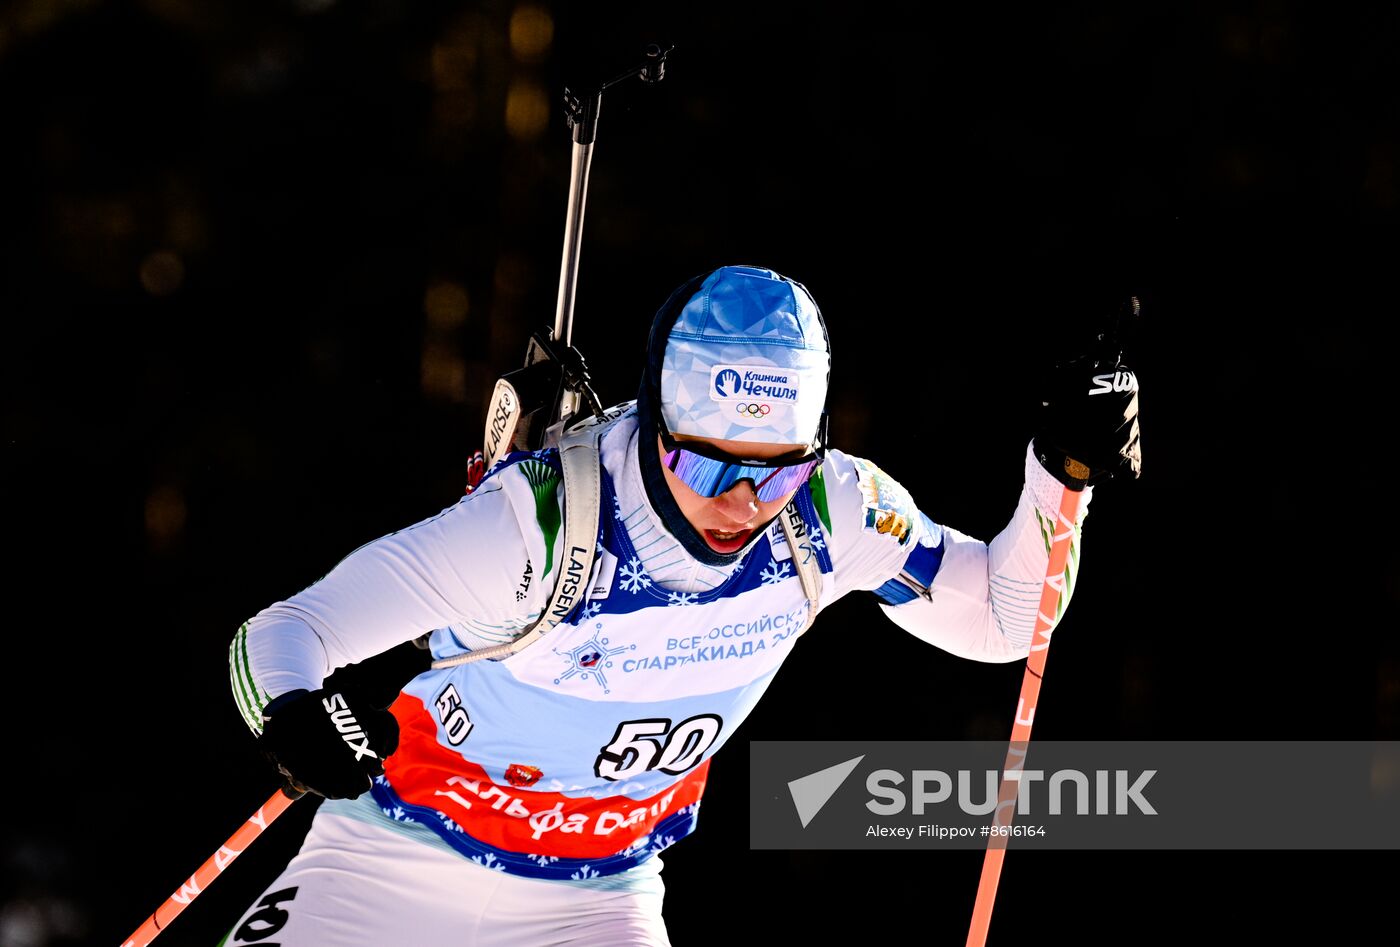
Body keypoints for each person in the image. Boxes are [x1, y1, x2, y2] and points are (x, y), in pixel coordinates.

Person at [224, 264, 1141, 945]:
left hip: (593, 904)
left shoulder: (831, 512)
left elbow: (1004, 619)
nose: (743, 503)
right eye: (708, 464)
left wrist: (1060, 472)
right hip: (391, 863)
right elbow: (287, 632)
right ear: (654, 426)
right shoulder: (539, 524)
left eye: (777, 472)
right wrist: (296, 715)